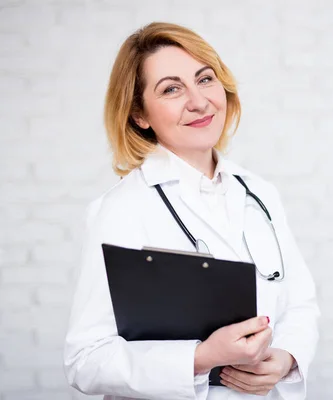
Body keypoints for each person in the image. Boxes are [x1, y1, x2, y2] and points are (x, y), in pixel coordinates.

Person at [63, 22, 319, 400]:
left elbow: (299, 302)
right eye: (171, 89)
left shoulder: (260, 193)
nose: (199, 101)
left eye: (205, 79)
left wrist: (285, 358)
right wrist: (198, 359)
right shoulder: (121, 208)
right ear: (139, 115)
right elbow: (86, 359)